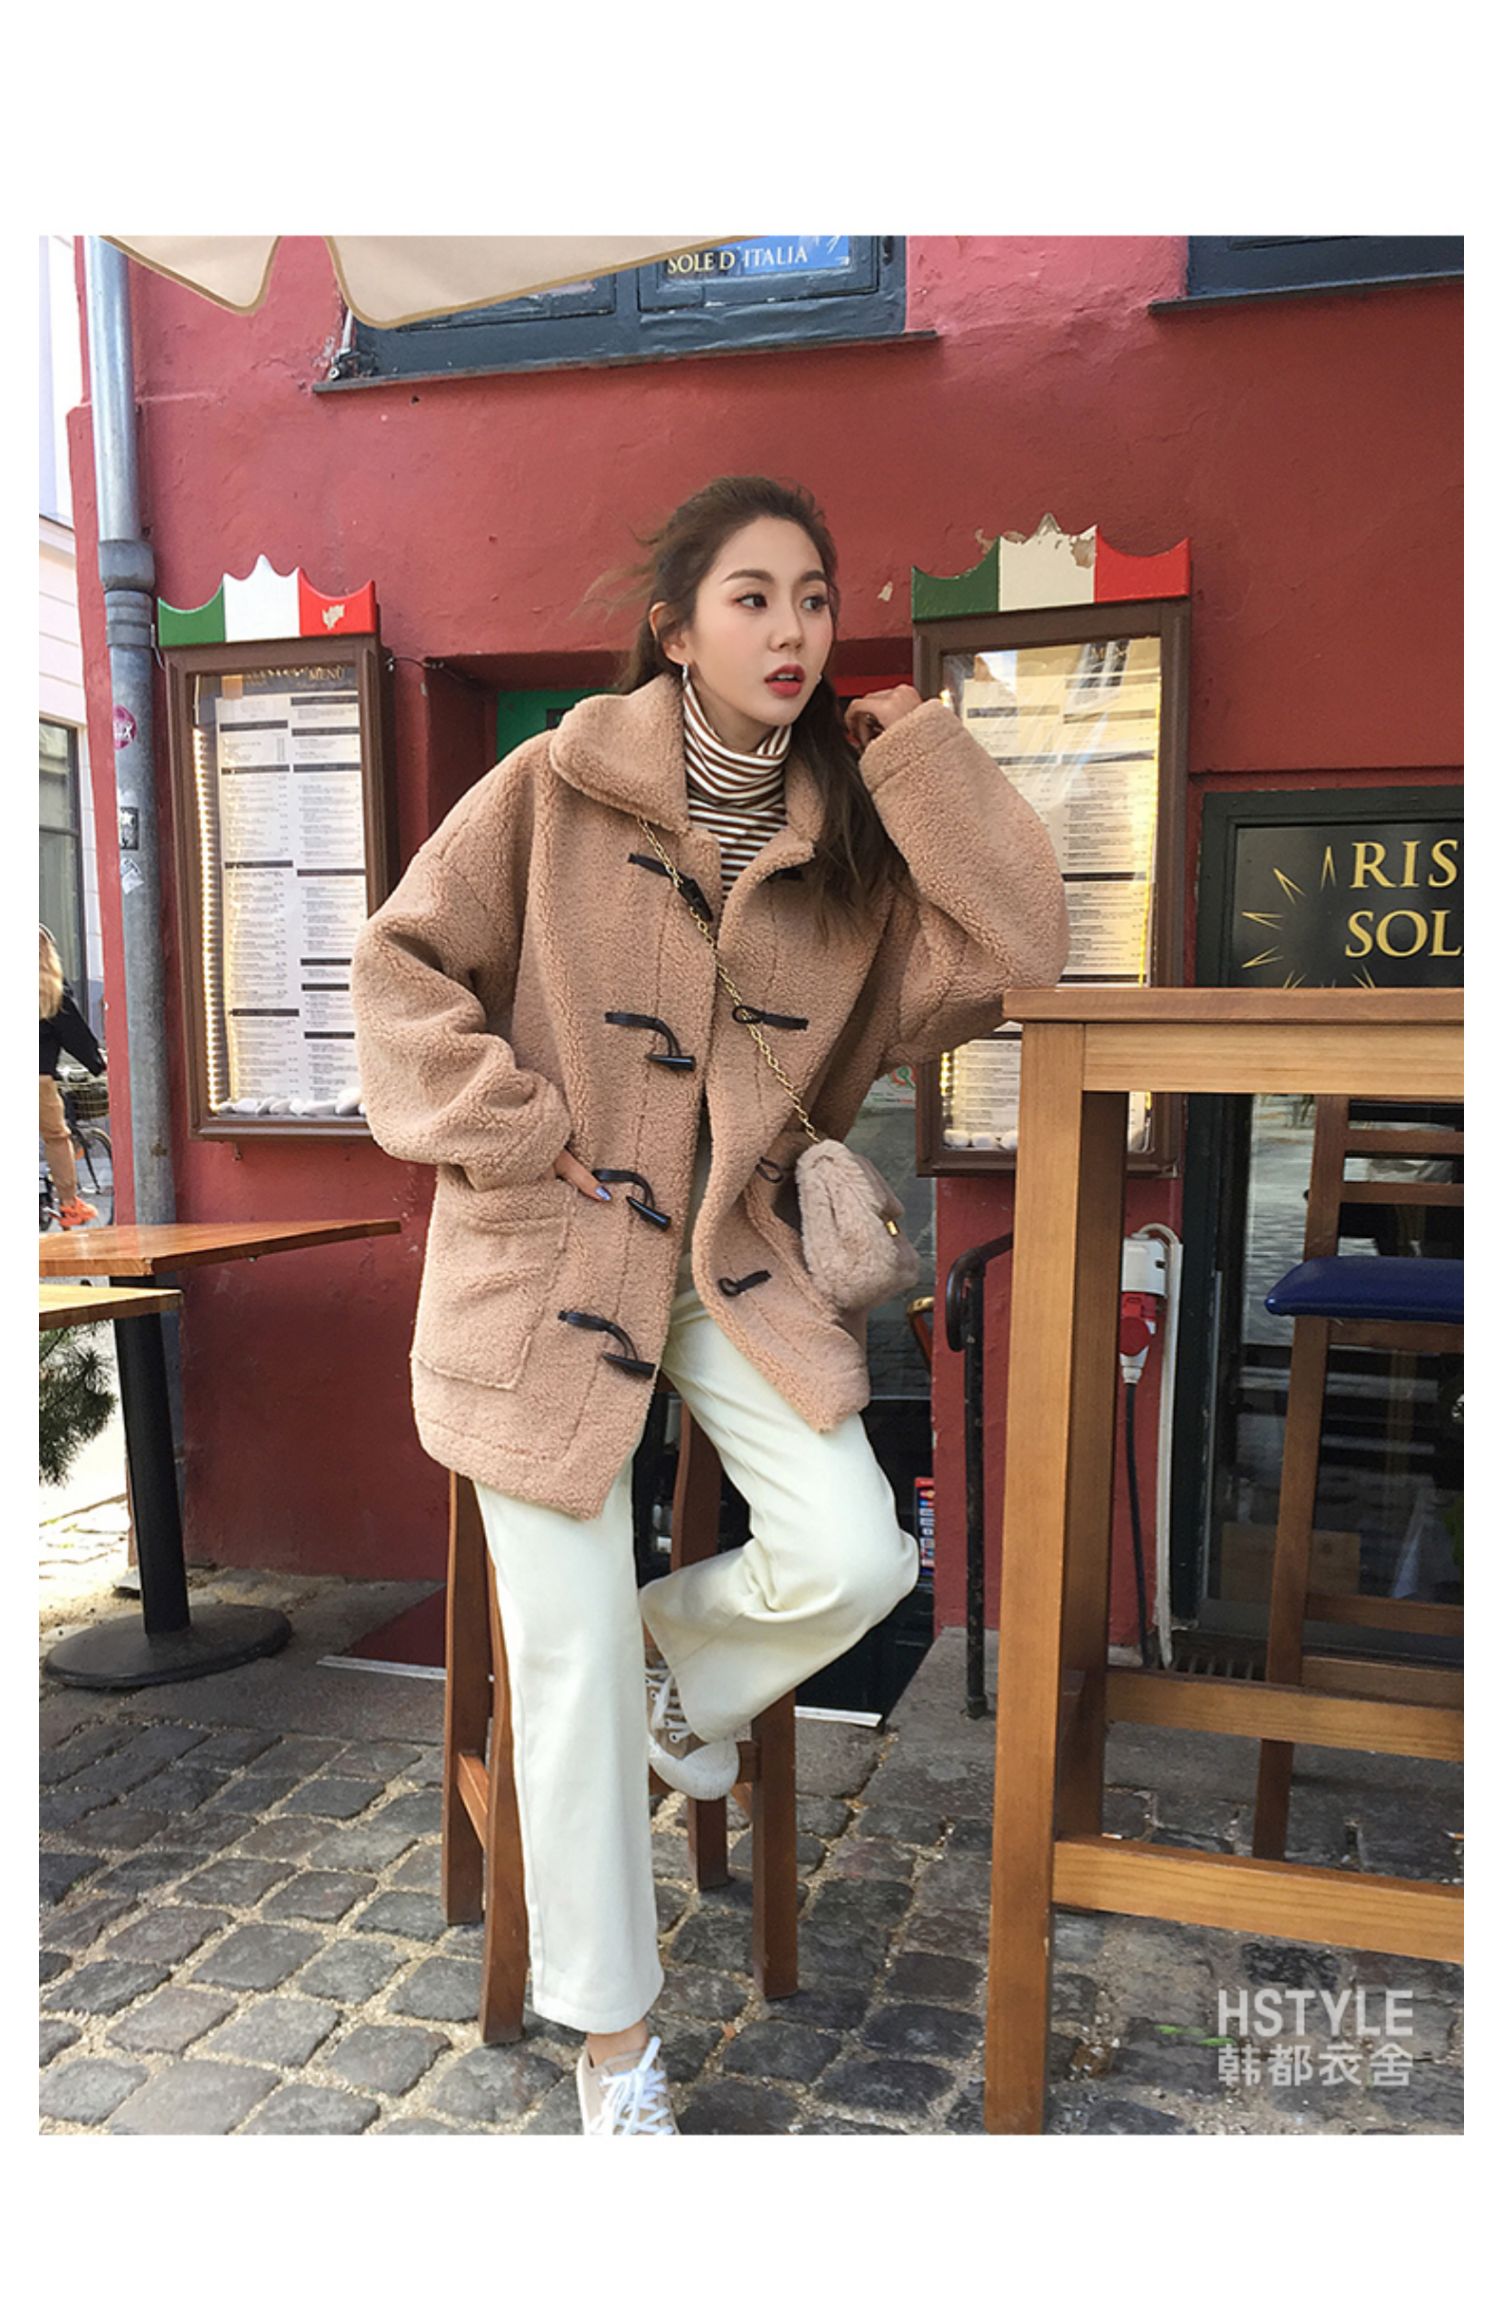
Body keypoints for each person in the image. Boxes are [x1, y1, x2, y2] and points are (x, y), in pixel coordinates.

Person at [350, 475, 1069, 2134]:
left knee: (863, 1551)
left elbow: (1016, 952)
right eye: (754, 597)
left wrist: (918, 755)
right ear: (677, 628)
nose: (793, 628)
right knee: (565, 1651)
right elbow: (397, 973)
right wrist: (518, 1129)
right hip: (547, 1262)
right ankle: (616, 2051)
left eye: (814, 596)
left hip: (728, 1261)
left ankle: (676, 1667)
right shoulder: (549, 786)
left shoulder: (850, 846)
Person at [39, 925, 106, 1229]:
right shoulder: (51, 989)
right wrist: (97, 1063)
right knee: (56, 1137)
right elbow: (74, 1034)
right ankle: (69, 1205)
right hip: (39, 1079)